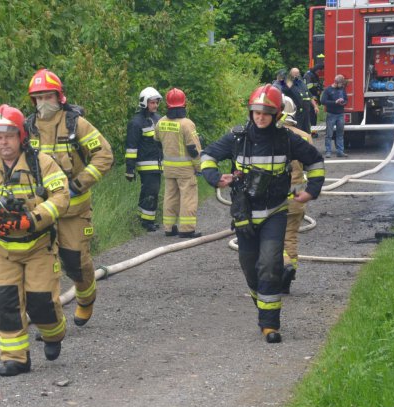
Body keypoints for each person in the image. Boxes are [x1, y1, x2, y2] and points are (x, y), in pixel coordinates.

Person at [200, 84, 325, 343]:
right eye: (256, 112)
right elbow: (208, 156)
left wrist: (312, 190)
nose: (260, 117)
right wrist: (214, 177)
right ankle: (264, 306)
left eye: (266, 113)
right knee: (249, 267)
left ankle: (270, 326)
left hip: (274, 212)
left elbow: (315, 161)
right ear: (250, 112)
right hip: (244, 214)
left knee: (270, 264)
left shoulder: (287, 139)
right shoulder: (237, 137)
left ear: (277, 115)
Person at [0, 104, 70, 376]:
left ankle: (53, 334)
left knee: (41, 304)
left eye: (8, 135)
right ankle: (15, 358)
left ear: (21, 136)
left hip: (38, 246)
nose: (3, 142)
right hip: (2, 250)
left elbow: (61, 196)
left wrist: (33, 218)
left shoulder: (41, 163)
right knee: (6, 305)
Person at [26, 69, 114, 327]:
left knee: (75, 262)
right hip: (41, 212)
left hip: (74, 210)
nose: (43, 102)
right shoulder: (27, 129)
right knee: (42, 268)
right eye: (38, 97)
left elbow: (104, 155)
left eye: (48, 96)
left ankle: (86, 299)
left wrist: (78, 184)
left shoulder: (76, 124)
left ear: (59, 96)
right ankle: (50, 321)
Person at [277, 95, 314, 294]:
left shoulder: (271, 135)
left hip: (274, 199)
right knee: (290, 237)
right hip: (298, 196)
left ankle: (284, 265)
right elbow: (311, 164)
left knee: (272, 238)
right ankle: (288, 278)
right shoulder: (304, 136)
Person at [155, 87, 203, 238]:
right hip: (185, 170)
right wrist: (200, 166)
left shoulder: (160, 122)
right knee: (187, 198)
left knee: (170, 197)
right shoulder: (187, 124)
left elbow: (157, 141)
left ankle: (169, 228)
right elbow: (194, 149)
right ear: (184, 104)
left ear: (167, 105)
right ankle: (187, 229)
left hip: (168, 168)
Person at [125, 87, 163, 231]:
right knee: (152, 191)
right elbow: (131, 148)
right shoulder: (136, 122)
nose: (155, 105)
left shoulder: (158, 119)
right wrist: (130, 169)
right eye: (152, 102)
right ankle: (147, 223)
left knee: (148, 191)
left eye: (156, 102)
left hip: (158, 164)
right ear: (144, 103)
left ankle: (142, 218)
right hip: (146, 164)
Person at [321, 74, 349, 158]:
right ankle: (328, 151)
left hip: (340, 114)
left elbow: (346, 99)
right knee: (329, 134)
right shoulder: (328, 90)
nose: (342, 85)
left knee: (340, 134)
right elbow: (323, 101)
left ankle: (340, 151)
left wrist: (343, 102)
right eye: (341, 83)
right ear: (336, 82)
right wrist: (334, 102)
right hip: (331, 114)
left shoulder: (342, 89)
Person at [288, 67, 317, 134]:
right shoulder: (289, 84)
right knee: (297, 130)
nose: (297, 75)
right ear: (291, 74)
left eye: (298, 73)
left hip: (306, 111)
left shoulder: (302, 83)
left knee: (307, 130)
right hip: (296, 112)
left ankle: (306, 142)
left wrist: (315, 106)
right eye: (295, 73)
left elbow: (309, 95)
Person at [304, 63, 324, 133]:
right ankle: (312, 132)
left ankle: (313, 132)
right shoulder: (308, 75)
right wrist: (317, 91)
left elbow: (318, 84)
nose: (320, 72)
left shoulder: (314, 75)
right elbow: (309, 87)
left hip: (314, 98)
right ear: (317, 69)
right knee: (312, 116)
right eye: (320, 71)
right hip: (310, 98)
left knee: (314, 116)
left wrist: (320, 88)